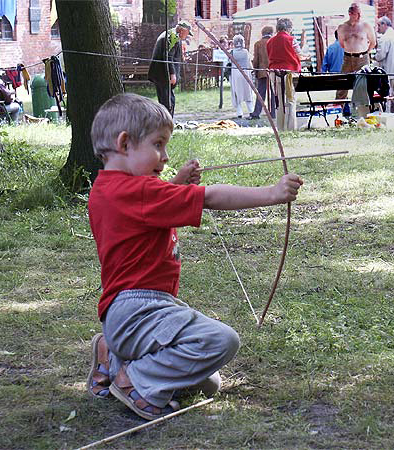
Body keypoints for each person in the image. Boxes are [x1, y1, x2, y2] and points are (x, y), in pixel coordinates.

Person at [86, 93, 303, 421]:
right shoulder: (140, 192)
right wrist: (271, 193)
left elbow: (147, 212)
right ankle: (134, 381)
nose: (165, 155)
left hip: (129, 313)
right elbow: (210, 197)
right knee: (221, 341)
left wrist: (176, 184)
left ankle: (113, 356)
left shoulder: (109, 188)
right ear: (125, 143)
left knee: (208, 381)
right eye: (158, 144)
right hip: (139, 312)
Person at [267, 18, 308, 130]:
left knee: (279, 102)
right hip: (289, 74)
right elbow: (299, 55)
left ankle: (280, 127)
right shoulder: (291, 40)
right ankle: (290, 127)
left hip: (274, 74)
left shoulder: (270, 41)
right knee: (290, 101)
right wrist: (306, 57)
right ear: (288, 28)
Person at [335, 3, 377, 115]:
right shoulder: (342, 27)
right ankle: (338, 112)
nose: (359, 16)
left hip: (363, 57)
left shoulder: (366, 25)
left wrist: (364, 53)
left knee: (365, 84)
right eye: (356, 13)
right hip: (348, 58)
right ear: (350, 13)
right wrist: (351, 52)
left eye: (359, 13)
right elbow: (342, 43)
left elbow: (373, 42)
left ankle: (366, 112)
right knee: (342, 86)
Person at [147, 21, 193, 116]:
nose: (187, 35)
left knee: (166, 101)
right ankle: (167, 124)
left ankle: (165, 123)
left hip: (160, 74)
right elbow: (168, 56)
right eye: (187, 33)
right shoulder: (173, 37)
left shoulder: (170, 34)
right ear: (181, 30)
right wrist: (172, 74)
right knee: (168, 102)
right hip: (163, 75)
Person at [249, 26, 275, 120]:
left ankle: (256, 113)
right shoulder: (274, 42)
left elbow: (256, 60)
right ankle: (273, 113)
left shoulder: (258, 44)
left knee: (261, 93)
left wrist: (255, 70)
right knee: (273, 93)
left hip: (262, 72)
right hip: (273, 71)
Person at [230, 34, 254, 118]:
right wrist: (252, 70)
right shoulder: (246, 52)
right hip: (245, 73)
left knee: (237, 92)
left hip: (236, 74)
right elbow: (249, 62)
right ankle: (251, 110)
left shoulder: (232, 52)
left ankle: (239, 112)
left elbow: (228, 62)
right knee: (247, 92)